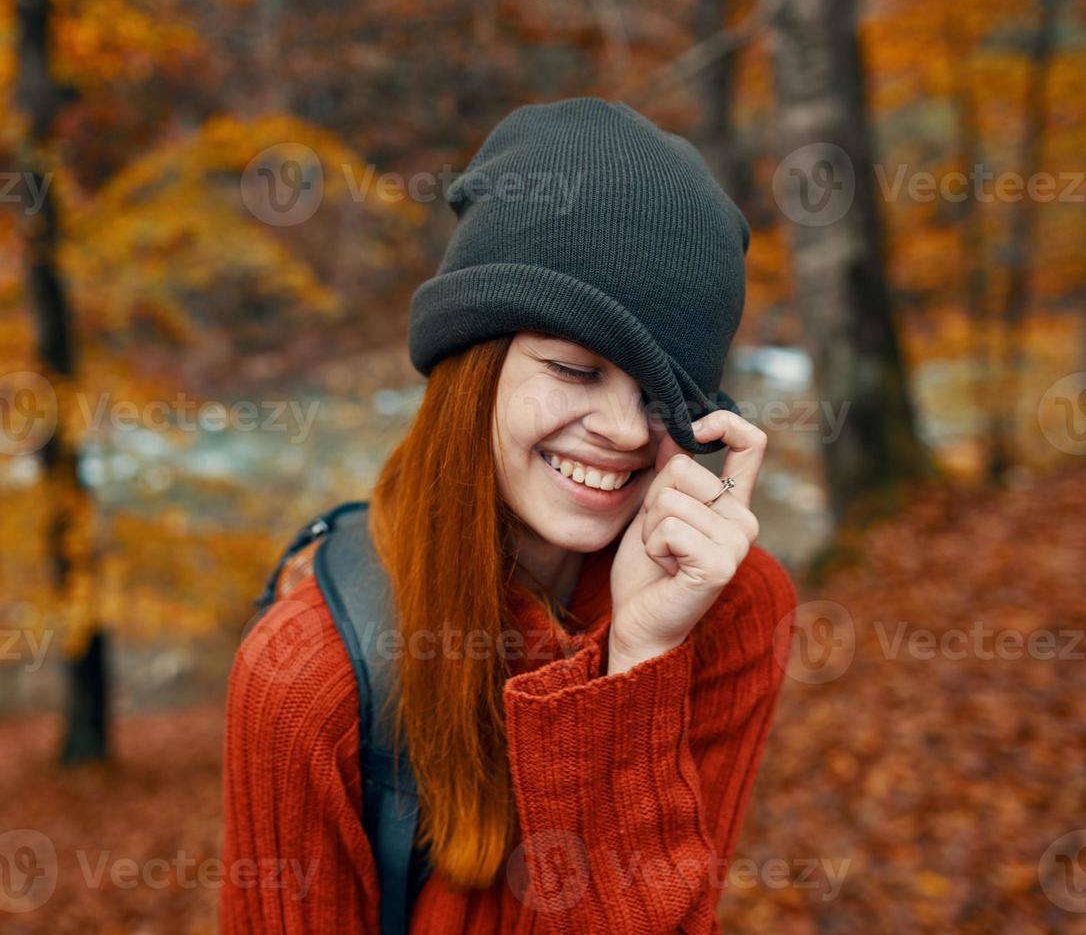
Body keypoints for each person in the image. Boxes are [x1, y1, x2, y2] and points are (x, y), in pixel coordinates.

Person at [220, 98, 797, 934]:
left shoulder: (730, 609)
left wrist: (638, 661)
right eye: (575, 368)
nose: (628, 430)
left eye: (661, 390)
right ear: (474, 365)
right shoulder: (304, 681)